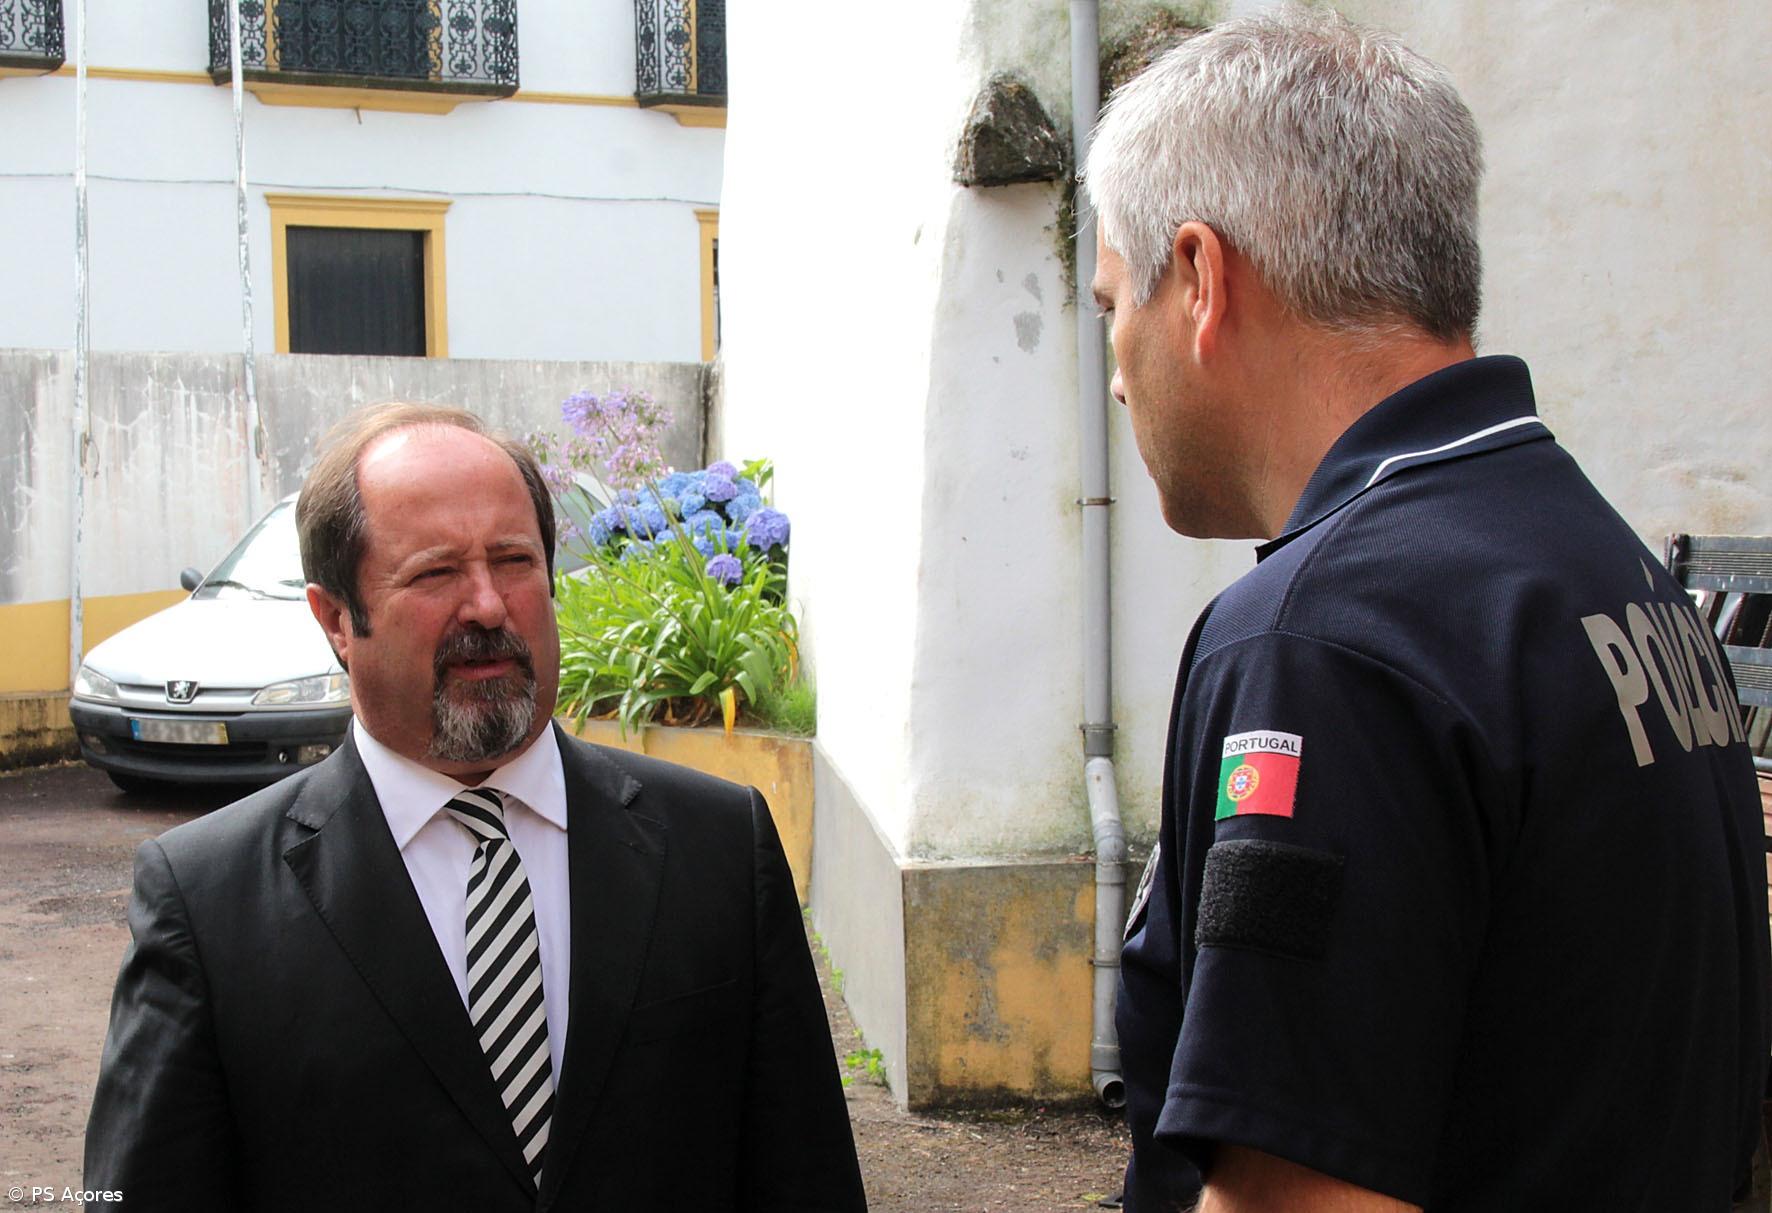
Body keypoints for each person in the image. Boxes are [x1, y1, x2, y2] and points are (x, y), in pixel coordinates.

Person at [1083, 9, 1768, 1212]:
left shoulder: (1322, 641)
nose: (1115, 373)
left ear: (1198, 279)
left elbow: (1299, 1197)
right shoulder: (1602, 564)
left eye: (1108, 306)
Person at [83, 403, 868, 1212]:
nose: (489, 605)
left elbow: (806, 1177)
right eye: (437, 573)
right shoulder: (209, 903)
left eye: (514, 560)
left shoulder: (719, 848)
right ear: (336, 620)